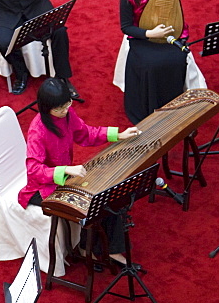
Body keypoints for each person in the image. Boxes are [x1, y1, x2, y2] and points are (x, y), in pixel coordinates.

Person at [18, 78, 139, 262]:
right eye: (59, 109)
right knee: (96, 202)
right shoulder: (38, 130)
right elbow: (34, 170)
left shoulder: (66, 114)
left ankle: (100, 246)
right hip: (43, 188)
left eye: (67, 105)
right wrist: (66, 169)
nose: (65, 111)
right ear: (45, 108)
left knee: (107, 194)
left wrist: (118, 135)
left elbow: (86, 134)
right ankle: (88, 247)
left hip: (66, 177)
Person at [120, 0, 211, 125]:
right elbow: (126, 27)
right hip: (143, 38)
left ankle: (173, 106)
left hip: (172, 34)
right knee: (151, 64)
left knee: (176, 59)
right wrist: (150, 33)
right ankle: (149, 109)